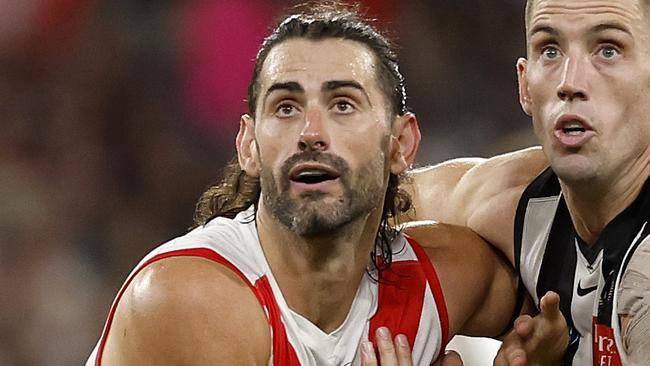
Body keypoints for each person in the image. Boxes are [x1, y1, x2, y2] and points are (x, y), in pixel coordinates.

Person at [85, 2, 566, 366]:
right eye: (286, 108)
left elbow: (557, 321)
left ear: (400, 144)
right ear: (249, 146)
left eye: (342, 105)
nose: (311, 133)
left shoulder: (447, 277)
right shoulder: (186, 300)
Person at [406, 0, 650, 364]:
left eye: (608, 50)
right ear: (525, 85)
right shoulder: (522, 199)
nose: (569, 82)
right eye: (550, 50)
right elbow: (373, 205)